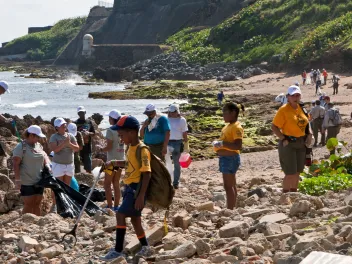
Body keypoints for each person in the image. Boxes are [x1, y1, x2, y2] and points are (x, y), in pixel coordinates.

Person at [100, 116, 153, 261]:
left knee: (120, 214)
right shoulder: (130, 148)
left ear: (131, 132)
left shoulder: (142, 149)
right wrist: (114, 163)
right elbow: (129, 165)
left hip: (137, 189)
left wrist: (141, 195)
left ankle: (118, 251)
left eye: (122, 134)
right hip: (130, 188)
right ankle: (146, 247)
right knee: (135, 220)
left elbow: (147, 173)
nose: (120, 137)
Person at [272, 85, 311, 193]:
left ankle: (294, 193)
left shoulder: (302, 108)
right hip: (288, 143)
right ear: (288, 97)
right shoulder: (283, 110)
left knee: (298, 171)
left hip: (301, 143)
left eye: (297, 95)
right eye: (293, 95)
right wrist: (283, 138)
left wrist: (309, 134)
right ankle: (285, 195)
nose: (295, 97)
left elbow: (307, 123)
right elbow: (274, 126)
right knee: (290, 173)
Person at [212, 103, 243, 210]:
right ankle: (232, 206)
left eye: (225, 113)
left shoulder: (236, 127)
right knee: (232, 184)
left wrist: (222, 144)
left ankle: (230, 209)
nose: (223, 116)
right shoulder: (228, 126)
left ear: (233, 113)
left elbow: (238, 145)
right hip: (226, 158)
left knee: (228, 186)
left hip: (230, 159)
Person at [12, 125, 48, 216]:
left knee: (37, 204)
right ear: (31, 135)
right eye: (38, 136)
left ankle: (37, 223)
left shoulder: (39, 145)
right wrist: (17, 180)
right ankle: (25, 223)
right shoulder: (21, 147)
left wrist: (48, 164)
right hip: (27, 181)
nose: (39, 139)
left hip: (39, 179)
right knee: (28, 205)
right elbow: (16, 164)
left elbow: (44, 156)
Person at [99, 109, 124, 210]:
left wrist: (101, 149)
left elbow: (109, 147)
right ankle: (117, 206)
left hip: (112, 161)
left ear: (112, 119)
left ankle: (110, 206)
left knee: (107, 184)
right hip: (121, 160)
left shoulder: (110, 130)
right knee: (116, 183)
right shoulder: (122, 130)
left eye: (109, 118)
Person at [49, 118, 79, 186]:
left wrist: (69, 144)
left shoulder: (70, 136)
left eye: (64, 124)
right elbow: (55, 150)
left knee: (67, 186)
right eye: (61, 125)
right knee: (59, 186)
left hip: (69, 164)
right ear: (57, 127)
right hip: (58, 165)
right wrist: (64, 143)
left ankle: (66, 197)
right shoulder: (54, 137)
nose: (64, 125)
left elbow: (77, 148)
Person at [167, 104, 189, 189]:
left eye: (173, 112)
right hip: (171, 143)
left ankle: (174, 182)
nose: (172, 113)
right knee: (172, 163)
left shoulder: (169, 119)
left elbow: (184, 133)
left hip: (174, 143)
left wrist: (186, 143)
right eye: (171, 112)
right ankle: (174, 182)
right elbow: (184, 133)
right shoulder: (181, 120)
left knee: (174, 163)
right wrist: (186, 143)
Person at [75, 106, 95, 173]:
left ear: (85, 112)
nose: (81, 114)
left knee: (88, 166)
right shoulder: (75, 123)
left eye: (82, 112)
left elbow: (94, 133)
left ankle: (89, 178)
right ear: (78, 114)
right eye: (80, 113)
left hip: (87, 147)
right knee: (77, 165)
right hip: (78, 147)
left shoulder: (89, 122)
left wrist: (88, 133)